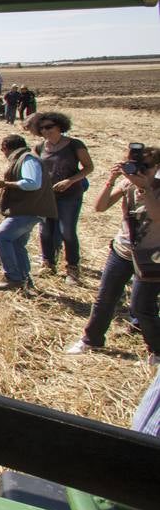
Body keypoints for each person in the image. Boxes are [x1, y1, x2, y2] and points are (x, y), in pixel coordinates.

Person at [69, 145, 160, 360]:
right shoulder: (127, 183)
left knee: (141, 307)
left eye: (145, 167)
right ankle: (91, 340)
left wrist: (145, 187)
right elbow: (100, 207)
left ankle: (156, 349)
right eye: (136, 166)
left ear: (157, 167)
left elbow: (157, 216)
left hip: (151, 256)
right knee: (105, 298)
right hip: (122, 250)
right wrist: (112, 179)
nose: (139, 171)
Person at [26, 111, 93, 282]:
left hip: (70, 195)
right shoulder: (40, 147)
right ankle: (48, 264)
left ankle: (72, 268)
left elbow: (88, 167)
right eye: (42, 128)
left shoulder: (74, 145)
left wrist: (70, 181)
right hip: (48, 196)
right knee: (45, 231)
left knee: (67, 231)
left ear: (60, 126)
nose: (46, 131)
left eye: (49, 127)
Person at [0, 134, 56, 291]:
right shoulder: (25, 158)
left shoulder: (28, 159)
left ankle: (13, 276)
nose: (2, 152)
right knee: (17, 243)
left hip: (28, 210)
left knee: (0, 236)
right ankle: (25, 282)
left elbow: (32, 183)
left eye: (2, 149)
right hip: (28, 209)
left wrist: (6, 184)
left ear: (6, 148)